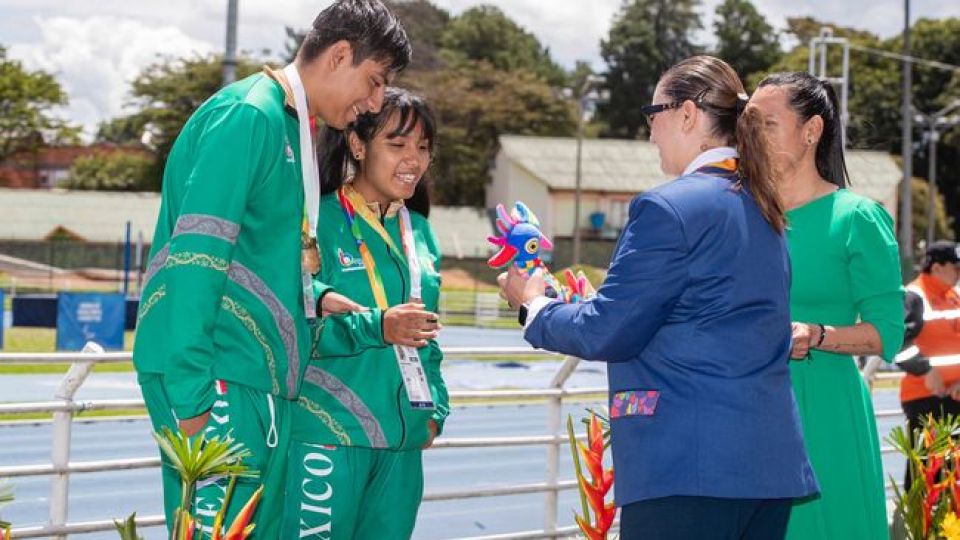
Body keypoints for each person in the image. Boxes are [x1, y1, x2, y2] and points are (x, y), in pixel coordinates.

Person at [499, 55, 818, 540]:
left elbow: (609, 330)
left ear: (687, 114)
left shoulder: (668, 207)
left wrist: (534, 305)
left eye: (654, 114)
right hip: (766, 463)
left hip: (687, 466)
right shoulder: (763, 207)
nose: (649, 132)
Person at [131, 1, 410, 536]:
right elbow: (196, 259)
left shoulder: (290, 127)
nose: (374, 102)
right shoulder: (249, 116)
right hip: (217, 376)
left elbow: (261, 252)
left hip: (259, 376)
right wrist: (192, 393)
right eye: (373, 82)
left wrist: (318, 292)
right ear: (340, 55)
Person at [281, 88, 449, 539]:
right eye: (397, 145)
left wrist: (437, 410)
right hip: (327, 435)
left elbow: (427, 335)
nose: (413, 158)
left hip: (401, 446)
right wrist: (377, 326)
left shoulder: (423, 233)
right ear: (358, 145)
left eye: (423, 147)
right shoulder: (313, 223)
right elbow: (295, 325)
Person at [751, 71, 904, 539]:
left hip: (823, 412)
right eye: (748, 123)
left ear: (811, 130)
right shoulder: (741, 213)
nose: (752, 135)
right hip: (744, 406)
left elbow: (886, 332)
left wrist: (814, 334)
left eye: (767, 124)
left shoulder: (857, 218)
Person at [898, 240, 960, 488]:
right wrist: (926, 371)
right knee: (924, 477)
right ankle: (918, 527)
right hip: (926, 397)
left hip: (954, 397)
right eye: (955, 267)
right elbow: (898, 344)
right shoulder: (914, 295)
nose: (958, 273)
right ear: (935, 267)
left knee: (951, 477)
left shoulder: (953, 296)